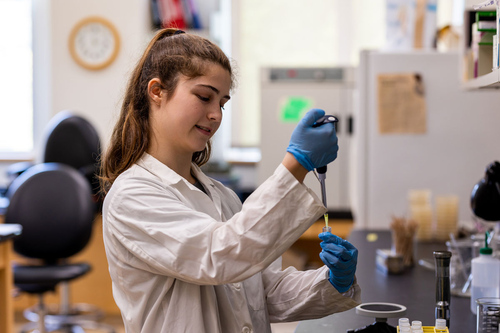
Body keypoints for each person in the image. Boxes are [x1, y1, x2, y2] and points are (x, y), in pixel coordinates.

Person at [100, 28, 360, 333]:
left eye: (222, 103)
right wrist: (296, 165)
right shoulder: (132, 196)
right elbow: (220, 256)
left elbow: (262, 293)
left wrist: (331, 281)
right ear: (157, 91)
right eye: (204, 97)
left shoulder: (221, 196)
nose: (216, 115)